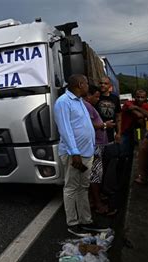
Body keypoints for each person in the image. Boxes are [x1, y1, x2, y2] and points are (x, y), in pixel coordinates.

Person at [54, 74, 108, 237]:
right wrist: (75, 152)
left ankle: (86, 221)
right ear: (79, 84)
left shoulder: (80, 102)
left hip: (86, 153)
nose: (88, 86)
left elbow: (84, 126)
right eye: (86, 83)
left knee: (83, 188)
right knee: (71, 188)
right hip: (74, 154)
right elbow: (65, 129)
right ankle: (73, 223)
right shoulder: (63, 102)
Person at [83, 85, 115, 214]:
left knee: (96, 174)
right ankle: (97, 204)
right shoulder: (87, 106)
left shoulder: (88, 106)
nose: (97, 99)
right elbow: (90, 126)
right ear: (88, 95)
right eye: (96, 96)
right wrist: (105, 125)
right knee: (95, 175)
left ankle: (94, 199)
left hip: (97, 144)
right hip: (95, 145)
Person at [120, 89, 148, 183]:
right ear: (134, 97)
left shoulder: (144, 105)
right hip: (126, 132)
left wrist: (137, 108)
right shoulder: (128, 103)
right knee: (124, 154)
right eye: (138, 97)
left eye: (142, 97)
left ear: (145, 98)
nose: (140, 99)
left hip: (138, 131)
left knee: (138, 151)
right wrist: (142, 112)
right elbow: (139, 115)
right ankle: (122, 176)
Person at [96, 76, 122, 143]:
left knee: (111, 151)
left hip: (111, 133)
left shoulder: (115, 98)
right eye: (101, 83)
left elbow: (118, 117)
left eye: (105, 83)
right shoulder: (95, 97)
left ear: (110, 85)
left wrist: (118, 133)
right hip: (97, 132)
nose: (102, 85)